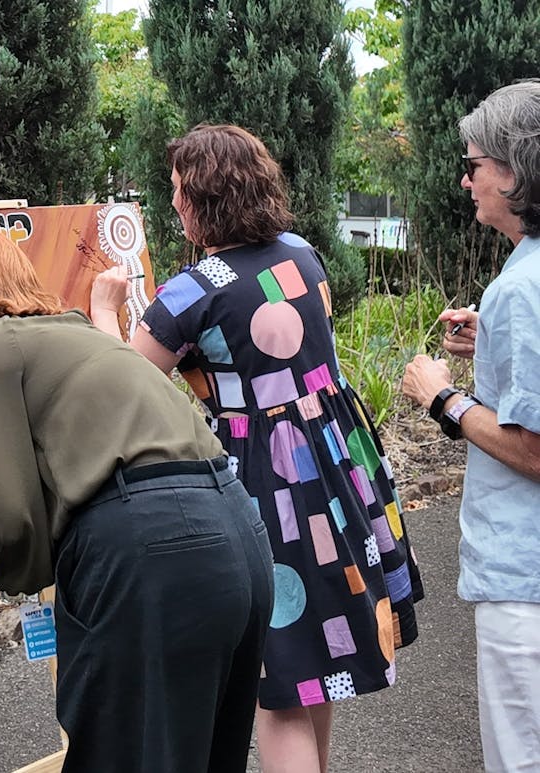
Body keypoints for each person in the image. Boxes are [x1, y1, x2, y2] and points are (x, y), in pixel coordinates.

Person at [91, 123, 423, 773]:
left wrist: (106, 312)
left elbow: (123, 386)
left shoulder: (193, 291)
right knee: (311, 666)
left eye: (180, 190)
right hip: (336, 462)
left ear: (203, 198)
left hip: (269, 484)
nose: (175, 201)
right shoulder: (300, 252)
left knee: (278, 687)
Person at [0, 227, 274, 773]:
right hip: (238, 529)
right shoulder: (82, 334)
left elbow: (1, 520)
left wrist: (29, 578)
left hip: (150, 549)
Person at [402, 80, 540, 772]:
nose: (465, 178)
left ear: (515, 173)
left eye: (475, 163)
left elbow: (535, 448)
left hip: (526, 584)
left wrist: (443, 399)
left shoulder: (521, 287)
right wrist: (493, 339)